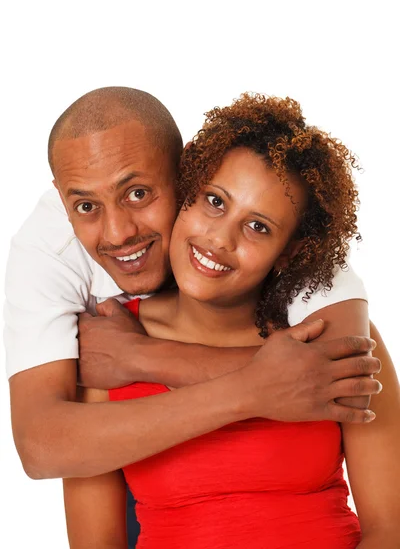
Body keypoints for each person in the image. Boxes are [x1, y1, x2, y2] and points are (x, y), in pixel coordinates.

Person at [4, 88, 381, 546]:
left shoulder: (328, 314)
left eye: (139, 193)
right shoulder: (93, 327)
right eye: (215, 202)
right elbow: (46, 447)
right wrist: (251, 389)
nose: (219, 239)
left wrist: (145, 356)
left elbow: (390, 526)